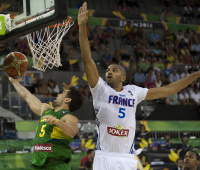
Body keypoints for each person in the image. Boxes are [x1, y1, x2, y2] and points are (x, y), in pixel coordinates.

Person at [78, 2, 200, 169]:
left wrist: (196, 75)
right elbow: (87, 60)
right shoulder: (100, 89)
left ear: (123, 77)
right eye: (107, 70)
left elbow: (169, 90)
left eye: (114, 70)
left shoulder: (134, 91)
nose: (109, 72)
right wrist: (82, 27)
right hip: (105, 156)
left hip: (127, 157)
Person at [8, 76, 84, 169]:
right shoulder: (46, 109)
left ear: (67, 100)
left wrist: (57, 122)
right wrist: (15, 83)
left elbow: (72, 132)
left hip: (56, 165)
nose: (58, 94)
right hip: (39, 164)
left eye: (62, 94)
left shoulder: (69, 116)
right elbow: (27, 96)